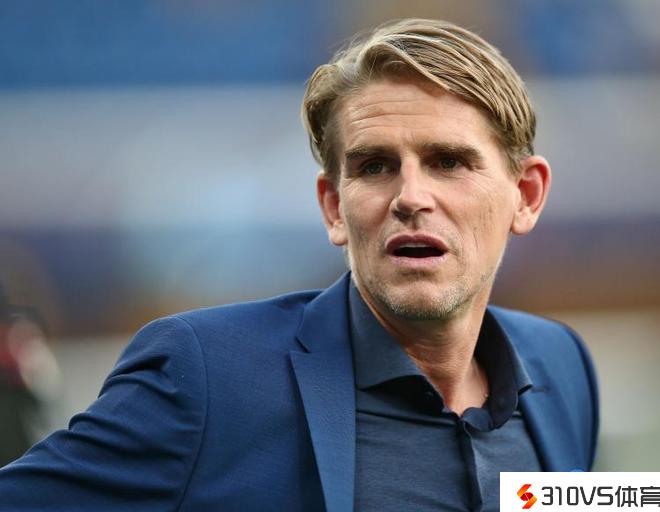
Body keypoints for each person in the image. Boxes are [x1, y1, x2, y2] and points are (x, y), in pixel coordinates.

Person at [0, 18, 598, 512]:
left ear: (526, 196)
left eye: (448, 162)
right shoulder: (206, 377)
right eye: (374, 166)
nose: (411, 197)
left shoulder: (562, 368)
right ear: (334, 207)